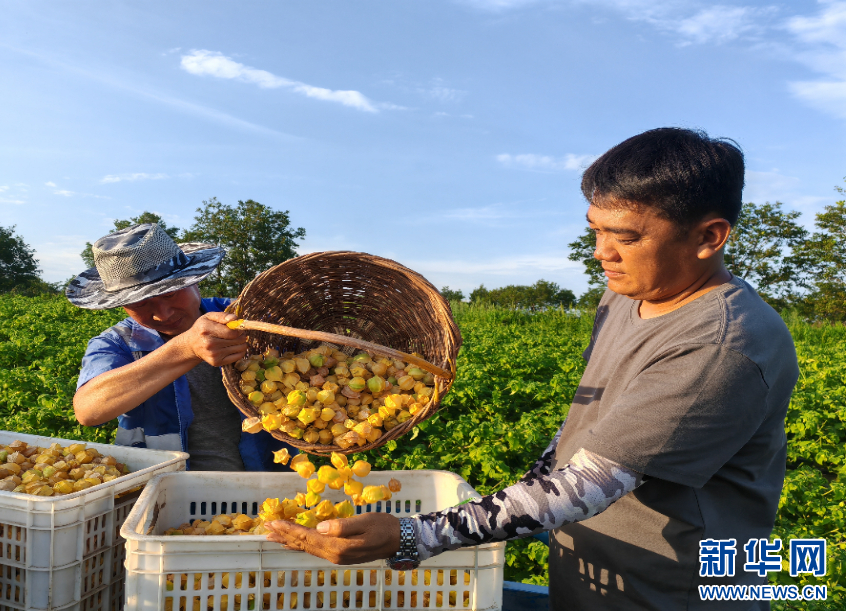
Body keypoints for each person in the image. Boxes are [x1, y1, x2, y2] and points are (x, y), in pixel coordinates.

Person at [264, 128, 800, 610]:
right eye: (596, 230)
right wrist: (534, 485)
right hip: (591, 568)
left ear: (710, 237)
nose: (602, 253)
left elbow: (592, 480)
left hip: (671, 587)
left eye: (627, 237)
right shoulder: (625, 295)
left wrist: (414, 535)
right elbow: (584, 430)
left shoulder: (722, 343)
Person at [66, 223, 293, 471]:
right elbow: (88, 410)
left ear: (194, 280)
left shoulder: (244, 316)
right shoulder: (116, 343)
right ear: (122, 305)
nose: (163, 314)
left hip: (271, 485)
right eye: (140, 304)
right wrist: (185, 348)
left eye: (170, 294)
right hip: (169, 490)